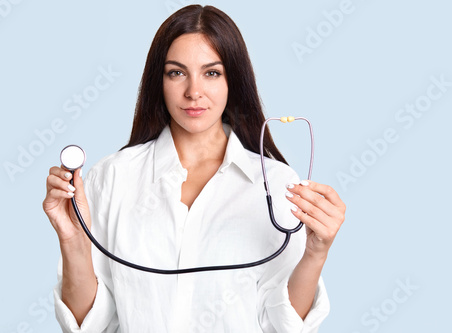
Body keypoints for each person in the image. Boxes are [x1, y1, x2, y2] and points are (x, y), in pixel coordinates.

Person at [43, 5, 345, 333]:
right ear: (158, 80)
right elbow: (93, 326)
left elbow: (282, 326)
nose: (193, 92)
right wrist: (72, 241)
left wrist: (316, 253)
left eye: (211, 73)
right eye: (177, 72)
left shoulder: (279, 186)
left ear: (234, 80)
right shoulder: (112, 178)